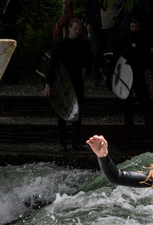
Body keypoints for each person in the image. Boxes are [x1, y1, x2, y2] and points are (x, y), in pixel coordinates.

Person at [43, 17, 92, 151]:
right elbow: (52, 65)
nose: (77, 31)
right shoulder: (61, 45)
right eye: (75, 28)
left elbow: (89, 59)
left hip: (77, 82)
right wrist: (48, 84)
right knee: (62, 113)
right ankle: (63, 143)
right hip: (63, 84)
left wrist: (85, 69)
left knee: (77, 112)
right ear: (69, 28)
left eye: (79, 29)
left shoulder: (83, 44)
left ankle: (76, 142)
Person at [117, 17, 153, 145]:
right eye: (132, 27)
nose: (134, 29)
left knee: (145, 105)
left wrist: (141, 65)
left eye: (136, 27)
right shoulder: (123, 39)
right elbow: (117, 58)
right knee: (127, 109)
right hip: (126, 77)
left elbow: (149, 58)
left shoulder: (143, 40)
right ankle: (129, 139)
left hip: (138, 76)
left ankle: (152, 137)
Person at [0, 0, 22, 84]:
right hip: (7, 30)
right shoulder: (10, 2)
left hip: (7, 31)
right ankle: (11, 79)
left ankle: (9, 79)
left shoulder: (13, 3)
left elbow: (10, 17)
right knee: (9, 55)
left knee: (7, 55)